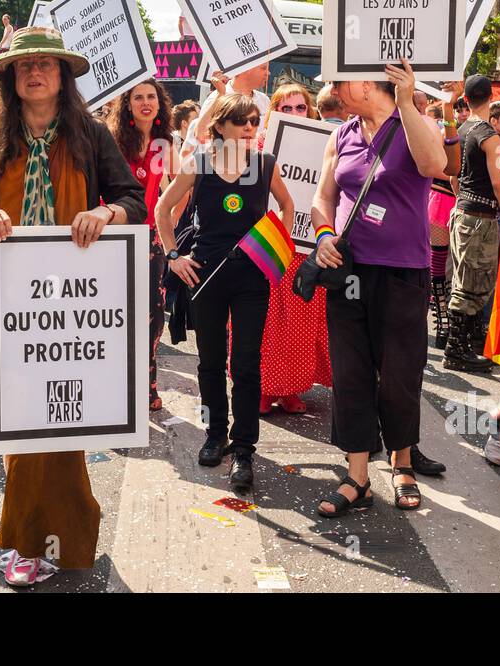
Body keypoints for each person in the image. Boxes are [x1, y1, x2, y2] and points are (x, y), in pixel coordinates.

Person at [0, 26, 146, 588]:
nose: (35, 74)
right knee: (21, 424)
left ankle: (35, 541)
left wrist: (107, 216)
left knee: (61, 421)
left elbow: (133, 199)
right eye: (24, 67)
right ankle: (55, 538)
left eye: (46, 66)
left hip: (75, 306)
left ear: (63, 76)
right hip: (2, 303)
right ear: (8, 77)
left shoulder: (91, 136)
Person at [308, 61, 448, 516]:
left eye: (337, 81)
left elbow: (435, 164)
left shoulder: (415, 122)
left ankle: (402, 465)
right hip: (349, 272)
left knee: (400, 371)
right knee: (350, 371)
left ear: (366, 82)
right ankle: (357, 477)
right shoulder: (341, 133)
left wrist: (407, 100)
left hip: (403, 271)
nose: (330, 89)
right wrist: (325, 233)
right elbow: (323, 196)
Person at [156, 92, 294, 491]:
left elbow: (286, 206)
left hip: (252, 277)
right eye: (241, 121)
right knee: (211, 362)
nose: (250, 128)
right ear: (220, 126)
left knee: (247, 363)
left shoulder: (265, 164)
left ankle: (245, 446)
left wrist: (275, 246)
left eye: (253, 121)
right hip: (205, 273)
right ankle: (216, 434)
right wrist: (174, 256)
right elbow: (163, 211)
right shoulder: (198, 164)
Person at [257, 83, 331, 413]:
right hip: (268, 244)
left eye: (300, 108)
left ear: (311, 111)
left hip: (304, 248)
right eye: (286, 109)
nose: (294, 114)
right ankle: (262, 388)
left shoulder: (327, 145)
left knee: (300, 325)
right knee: (266, 323)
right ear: (274, 113)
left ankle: (291, 388)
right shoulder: (258, 146)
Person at [106, 78, 178, 411]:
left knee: (152, 313)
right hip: (114, 237)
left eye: (151, 97)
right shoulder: (115, 140)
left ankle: (147, 382)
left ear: (160, 104)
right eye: (138, 97)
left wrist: (171, 214)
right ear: (128, 104)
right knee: (116, 313)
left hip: (150, 238)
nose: (146, 102)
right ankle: (114, 381)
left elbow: (181, 184)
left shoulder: (165, 143)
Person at [442, 74, 500, 373]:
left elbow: (452, 173)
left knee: (464, 280)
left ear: (465, 100)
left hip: (462, 212)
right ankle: (456, 350)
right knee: (471, 286)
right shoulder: (489, 136)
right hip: (480, 218)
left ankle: (463, 346)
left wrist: (462, 201)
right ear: (491, 97)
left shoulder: (462, 128)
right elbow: (499, 183)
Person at [422, 93, 462, 350]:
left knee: (451, 267)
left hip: (450, 201)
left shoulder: (446, 130)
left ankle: (448, 322)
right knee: (438, 265)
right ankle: (442, 322)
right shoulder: (428, 129)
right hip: (440, 201)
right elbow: (446, 170)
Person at [190, 62, 270, 149]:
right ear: (246, 69)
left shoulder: (264, 100)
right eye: (263, 68)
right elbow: (202, 136)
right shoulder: (216, 98)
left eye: (255, 121)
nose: (268, 73)